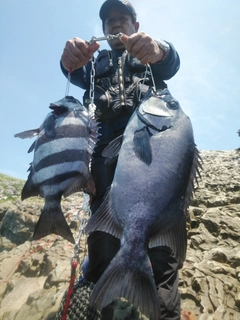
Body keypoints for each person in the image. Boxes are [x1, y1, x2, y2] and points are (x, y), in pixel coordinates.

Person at [61, 1, 182, 319]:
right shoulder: (94, 63)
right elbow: (70, 69)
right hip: (105, 170)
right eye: (109, 21)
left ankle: (164, 311)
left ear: (135, 25)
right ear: (102, 30)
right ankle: (104, 305)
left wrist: (161, 49)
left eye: (122, 19)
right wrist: (69, 58)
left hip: (154, 166)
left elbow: (170, 60)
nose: (115, 25)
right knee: (102, 247)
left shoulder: (149, 55)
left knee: (161, 256)